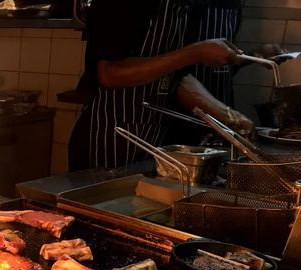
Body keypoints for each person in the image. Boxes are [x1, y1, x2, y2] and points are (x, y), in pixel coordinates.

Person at [67, 0, 252, 172]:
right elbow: (110, 73)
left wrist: (227, 115)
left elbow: (175, 77)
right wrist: (194, 53)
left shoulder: (179, 6)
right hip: (107, 138)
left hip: (152, 138)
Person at [168, 0, 288, 145]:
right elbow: (172, 71)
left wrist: (254, 56)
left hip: (225, 116)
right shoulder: (182, 5)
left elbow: (223, 66)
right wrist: (222, 112)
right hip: (184, 118)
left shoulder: (234, 5)